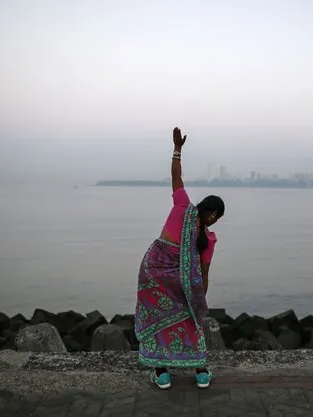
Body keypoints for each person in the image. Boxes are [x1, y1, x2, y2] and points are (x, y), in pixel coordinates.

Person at [134, 127, 225, 390]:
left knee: (173, 319)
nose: (214, 219)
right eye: (215, 215)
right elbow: (176, 177)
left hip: (165, 276)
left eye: (216, 218)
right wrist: (177, 150)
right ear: (209, 211)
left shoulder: (196, 222)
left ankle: (181, 371)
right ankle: (181, 371)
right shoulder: (192, 218)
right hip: (163, 276)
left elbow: (204, 270)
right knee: (174, 320)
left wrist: (177, 150)